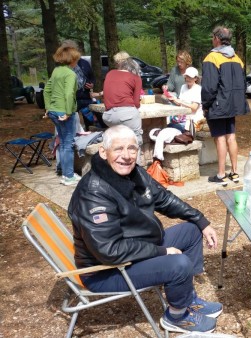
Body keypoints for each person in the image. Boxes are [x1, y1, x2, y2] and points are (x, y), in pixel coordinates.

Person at [68, 125, 222, 334]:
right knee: (178, 263)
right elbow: (109, 251)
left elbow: (164, 198)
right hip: (106, 270)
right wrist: (162, 252)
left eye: (132, 148)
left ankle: (188, 298)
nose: (126, 156)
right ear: (103, 153)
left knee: (192, 231)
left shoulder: (134, 173)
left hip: (134, 250)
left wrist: (201, 220)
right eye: (118, 149)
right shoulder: (93, 193)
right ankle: (176, 317)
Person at [201, 26, 249, 186]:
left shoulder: (212, 58)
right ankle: (234, 172)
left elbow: (209, 87)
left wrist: (206, 105)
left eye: (212, 37)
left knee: (220, 138)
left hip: (217, 104)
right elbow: (243, 83)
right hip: (233, 104)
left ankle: (221, 174)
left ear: (216, 39)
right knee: (231, 137)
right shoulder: (237, 58)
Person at [43, 45, 81, 186]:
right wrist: (68, 112)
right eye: (76, 58)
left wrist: (47, 108)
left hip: (54, 111)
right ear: (71, 59)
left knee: (64, 143)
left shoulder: (56, 71)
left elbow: (46, 90)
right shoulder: (70, 74)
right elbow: (69, 94)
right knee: (67, 144)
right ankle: (68, 177)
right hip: (63, 112)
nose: (77, 61)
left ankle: (67, 174)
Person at [102, 56, 144, 150]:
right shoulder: (135, 77)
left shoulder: (110, 73)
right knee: (135, 141)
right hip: (126, 116)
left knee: (118, 142)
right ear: (134, 69)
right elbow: (136, 103)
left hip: (108, 116)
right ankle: (136, 164)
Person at [167, 66, 203, 132]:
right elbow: (180, 103)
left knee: (170, 127)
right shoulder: (183, 87)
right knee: (168, 125)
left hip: (193, 120)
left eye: (190, 77)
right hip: (183, 118)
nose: (188, 79)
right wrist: (173, 99)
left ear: (195, 78)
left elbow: (194, 107)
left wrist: (180, 102)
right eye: (187, 77)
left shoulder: (198, 89)